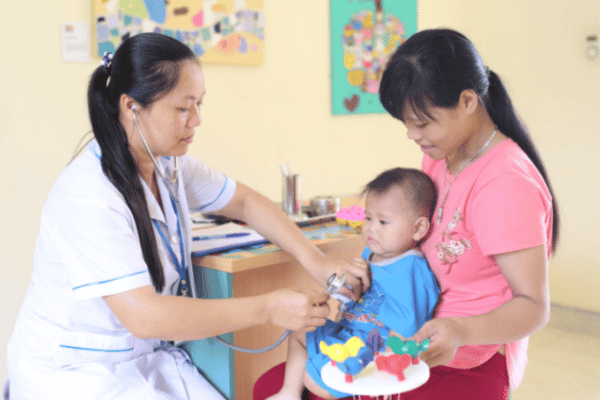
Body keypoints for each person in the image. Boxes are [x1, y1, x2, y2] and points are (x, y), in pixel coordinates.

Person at [6, 33, 370, 400]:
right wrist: (269, 307)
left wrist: (316, 260)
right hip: (75, 375)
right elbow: (146, 317)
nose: (197, 120)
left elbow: (244, 202)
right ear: (131, 107)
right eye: (184, 108)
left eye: (199, 104)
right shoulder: (87, 195)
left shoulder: (168, 165)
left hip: (144, 360)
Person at [377, 28, 560, 399]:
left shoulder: (506, 184)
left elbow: (533, 308)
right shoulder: (439, 154)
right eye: (406, 123)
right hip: (421, 339)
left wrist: (460, 332)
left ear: (467, 101)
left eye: (422, 123)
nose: (413, 135)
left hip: (473, 357)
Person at [265, 167, 441, 400]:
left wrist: (382, 369)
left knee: (314, 381)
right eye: (368, 218)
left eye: (383, 221)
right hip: (345, 332)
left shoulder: (411, 272)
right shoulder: (371, 252)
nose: (371, 228)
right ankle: (288, 392)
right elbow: (356, 295)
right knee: (300, 330)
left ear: (418, 228)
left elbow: (405, 332)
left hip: (369, 349)